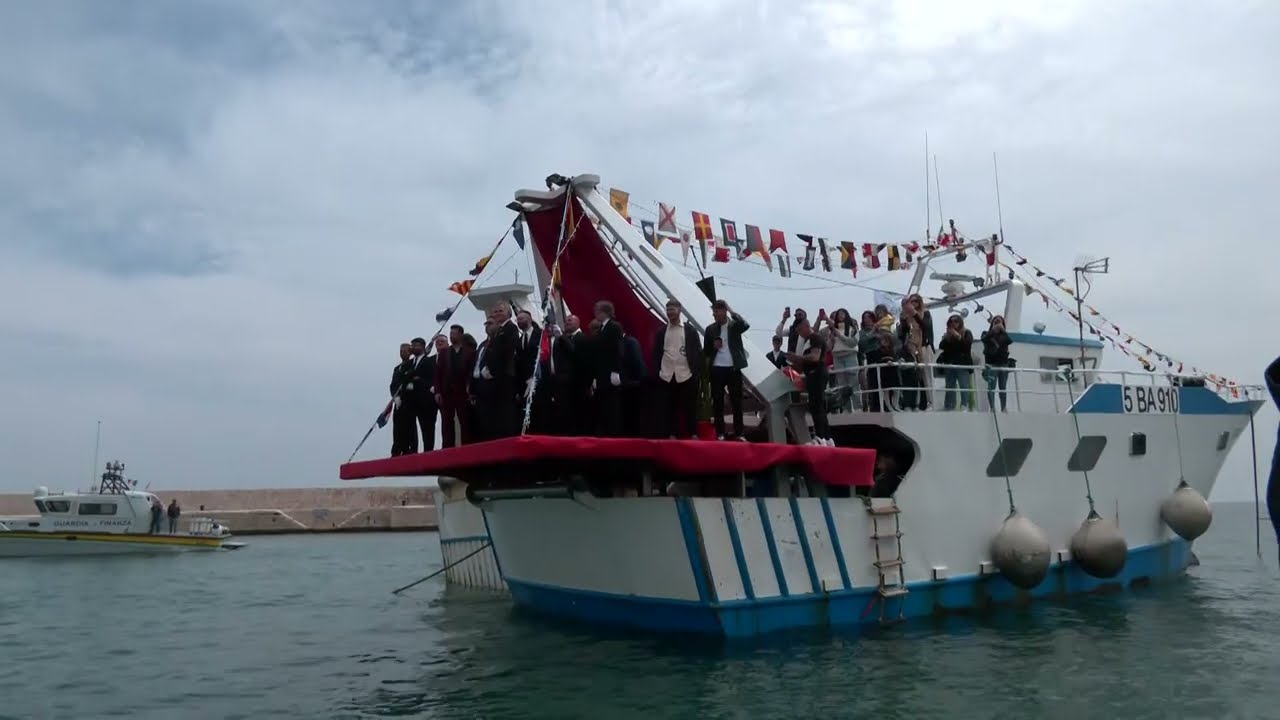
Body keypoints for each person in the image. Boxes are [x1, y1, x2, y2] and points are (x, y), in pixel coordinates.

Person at [651, 298, 702, 438]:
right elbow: (656, 352)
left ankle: (693, 433)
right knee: (669, 407)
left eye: (672, 309)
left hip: (686, 374)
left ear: (679, 310)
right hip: (667, 374)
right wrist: (658, 371)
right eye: (667, 310)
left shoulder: (690, 330)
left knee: (689, 407)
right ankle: (671, 434)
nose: (669, 312)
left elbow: (697, 351)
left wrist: (695, 371)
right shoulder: (662, 331)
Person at [703, 299, 749, 440]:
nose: (714, 315)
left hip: (733, 368)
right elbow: (706, 352)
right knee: (717, 402)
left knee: (737, 402)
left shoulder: (734, 326)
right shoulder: (710, 329)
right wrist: (713, 346)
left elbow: (745, 325)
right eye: (713, 312)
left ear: (723, 311)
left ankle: (739, 433)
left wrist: (730, 309)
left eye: (716, 311)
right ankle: (720, 433)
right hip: (717, 368)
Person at [789, 318, 831, 444]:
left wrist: (799, 358)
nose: (800, 333)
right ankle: (826, 437)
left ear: (806, 325)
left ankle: (821, 436)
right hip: (811, 374)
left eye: (800, 330)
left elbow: (815, 356)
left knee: (817, 406)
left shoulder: (815, 338)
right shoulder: (807, 342)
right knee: (816, 406)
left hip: (817, 373)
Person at [434, 324, 475, 447]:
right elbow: (438, 374)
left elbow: (471, 372)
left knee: (465, 421)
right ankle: (447, 448)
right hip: (447, 393)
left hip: (463, 393)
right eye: (450, 334)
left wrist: (470, 388)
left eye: (454, 334)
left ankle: (466, 447)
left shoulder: (470, 352)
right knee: (447, 423)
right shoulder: (444, 353)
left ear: (461, 335)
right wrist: (437, 391)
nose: (452, 336)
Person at [591, 301, 625, 436]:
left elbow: (618, 349)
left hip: (610, 372)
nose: (596, 313)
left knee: (612, 404)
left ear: (605, 312)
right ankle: (605, 431)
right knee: (603, 403)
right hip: (601, 373)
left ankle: (613, 432)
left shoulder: (614, 327)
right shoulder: (601, 328)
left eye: (598, 311)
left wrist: (616, 371)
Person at [488, 303, 522, 437]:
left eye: (500, 311)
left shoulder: (510, 328)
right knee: (500, 410)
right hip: (497, 376)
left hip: (506, 374)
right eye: (495, 311)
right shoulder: (498, 331)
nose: (497, 313)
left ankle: (510, 435)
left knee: (508, 409)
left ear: (508, 313)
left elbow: (507, 351)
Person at [404, 336, 439, 451]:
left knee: (427, 429)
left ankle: (428, 452)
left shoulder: (429, 361)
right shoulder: (409, 364)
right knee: (411, 430)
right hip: (412, 402)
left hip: (426, 401)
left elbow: (432, 379)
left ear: (423, 347)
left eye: (417, 345)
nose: (414, 348)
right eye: (412, 345)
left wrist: (419, 380)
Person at [938, 313, 975, 410]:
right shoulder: (948, 336)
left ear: (960, 323)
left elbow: (966, 346)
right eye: (951, 321)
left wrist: (957, 336)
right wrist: (946, 338)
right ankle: (949, 406)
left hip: (963, 364)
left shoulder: (967, 332)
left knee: (963, 385)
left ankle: (964, 405)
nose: (953, 323)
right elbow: (942, 347)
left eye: (956, 321)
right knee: (950, 386)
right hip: (950, 364)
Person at [981, 315, 1015, 412]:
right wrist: (993, 330)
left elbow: (1009, 341)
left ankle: (1003, 407)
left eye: (999, 322)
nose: (997, 324)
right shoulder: (986, 334)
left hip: (1003, 364)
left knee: (1002, 387)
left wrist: (1003, 331)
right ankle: (992, 407)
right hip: (991, 364)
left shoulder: (1004, 335)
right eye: (995, 322)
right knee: (991, 386)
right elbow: (984, 339)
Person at [390, 342, 415, 455]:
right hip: (398, 401)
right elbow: (393, 385)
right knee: (397, 426)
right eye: (401, 351)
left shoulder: (412, 364)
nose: (402, 353)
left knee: (409, 426)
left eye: (405, 351)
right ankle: (397, 449)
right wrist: (395, 397)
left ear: (410, 352)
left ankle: (409, 449)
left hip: (409, 400)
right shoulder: (397, 369)